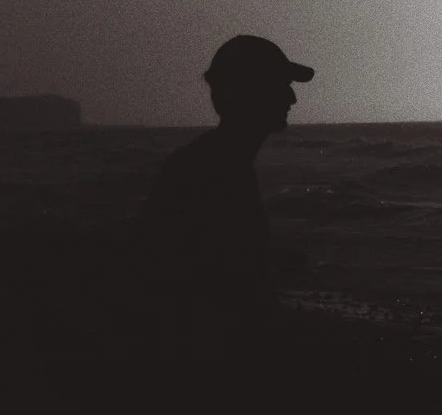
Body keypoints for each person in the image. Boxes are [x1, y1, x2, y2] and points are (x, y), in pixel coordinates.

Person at [132, 34, 314, 364]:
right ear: (251, 92)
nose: (292, 98)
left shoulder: (213, 162)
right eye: (281, 85)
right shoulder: (214, 171)